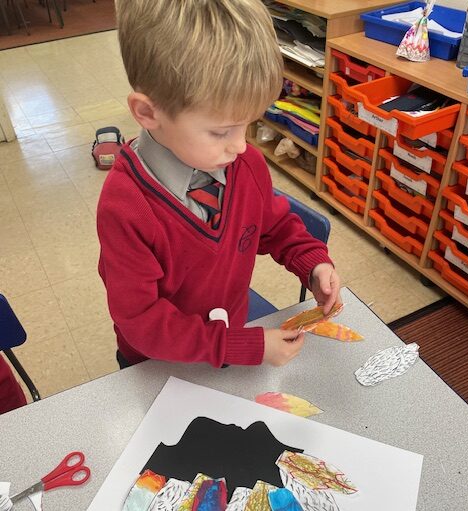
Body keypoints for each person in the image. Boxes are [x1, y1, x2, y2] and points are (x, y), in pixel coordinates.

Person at [97, 0, 341, 370]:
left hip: (229, 342)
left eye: (246, 124)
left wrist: (311, 263)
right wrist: (239, 346)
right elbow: (141, 322)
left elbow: (275, 228)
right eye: (221, 131)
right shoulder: (125, 207)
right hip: (156, 365)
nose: (241, 145)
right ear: (148, 113)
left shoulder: (244, 165)